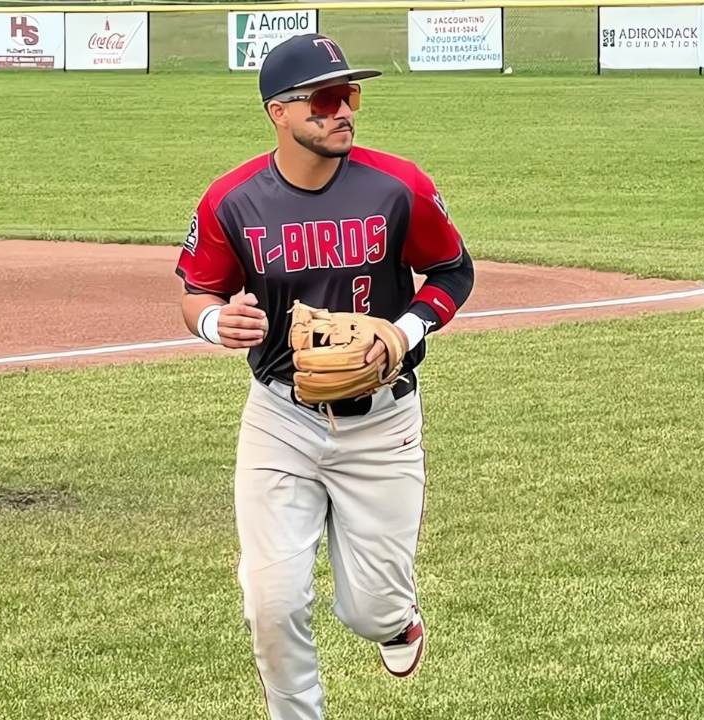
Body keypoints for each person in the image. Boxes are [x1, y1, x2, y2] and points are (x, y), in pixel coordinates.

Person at [174, 33, 475, 720]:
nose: (345, 112)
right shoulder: (232, 202)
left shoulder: (398, 186)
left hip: (384, 422)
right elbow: (196, 292)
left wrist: (404, 331)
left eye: (352, 96)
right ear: (279, 112)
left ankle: (396, 618)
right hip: (281, 418)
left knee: (370, 611)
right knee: (271, 603)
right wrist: (219, 325)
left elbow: (454, 271)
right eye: (327, 98)